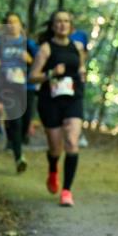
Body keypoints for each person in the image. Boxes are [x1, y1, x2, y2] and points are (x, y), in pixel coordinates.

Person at [29, 10, 87, 207]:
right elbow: (33, 76)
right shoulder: (46, 49)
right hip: (50, 101)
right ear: (53, 26)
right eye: (59, 21)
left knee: (72, 141)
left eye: (66, 21)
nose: (62, 25)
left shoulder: (77, 47)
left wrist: (82, 74)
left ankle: (67, 191)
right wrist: (51, 73)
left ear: (71, 26)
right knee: (55, 148)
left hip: (73, 98)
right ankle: (53, 169)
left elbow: (81, 67)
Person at [0, 12, 37, 173]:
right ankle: (19, 158)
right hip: (8, 87)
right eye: (9, 22)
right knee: (16, 120)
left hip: (27, 87)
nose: (12, 25)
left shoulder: (28, 43)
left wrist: (29, 59)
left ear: (21, 25)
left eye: (15, 21)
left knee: (25, 122)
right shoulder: (0, 43)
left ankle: (15, 140)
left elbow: (40, 63)